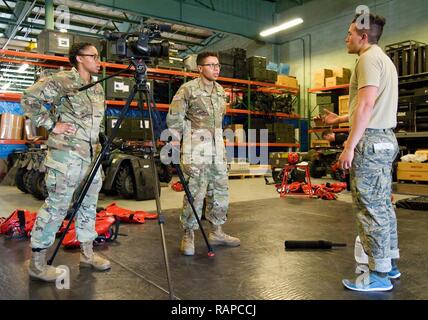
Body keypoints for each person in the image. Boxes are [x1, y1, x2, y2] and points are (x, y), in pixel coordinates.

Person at [320, 13, 399, 291]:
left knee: (370, 209)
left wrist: (348, 145)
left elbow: (366, 107)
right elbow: (372, 107)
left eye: (350, 33)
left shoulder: (366, 60)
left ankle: (378, 275)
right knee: (383, 206)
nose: (346, 37)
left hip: (370, 143)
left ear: (363, 36)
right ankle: (389, 262)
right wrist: (340, 120)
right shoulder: (384, 60)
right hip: (386, 139)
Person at [22, 42, 110, 282]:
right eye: (93, 56)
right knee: (57, 206)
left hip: (91, 156)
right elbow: (29, 99)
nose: (98, 60)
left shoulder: (96, 87)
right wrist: (52, 125)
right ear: (79, 58)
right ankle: (38, 264)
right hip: (66, 155)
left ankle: (87, 254)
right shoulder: (62, 80)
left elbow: (96, 122)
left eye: (98, 56)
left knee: (89, 204)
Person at [166, 51, 240, 256]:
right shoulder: (187, 90)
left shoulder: (220, 91)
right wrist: (176, 145)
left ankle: (217, 231)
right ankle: (188, 234)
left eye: (218, 65)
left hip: (217, 147)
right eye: (211, 65)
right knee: (195, 193)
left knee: (219, 191)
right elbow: (174, 119)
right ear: (200, 68)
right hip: (196, 148)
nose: (216, 69)